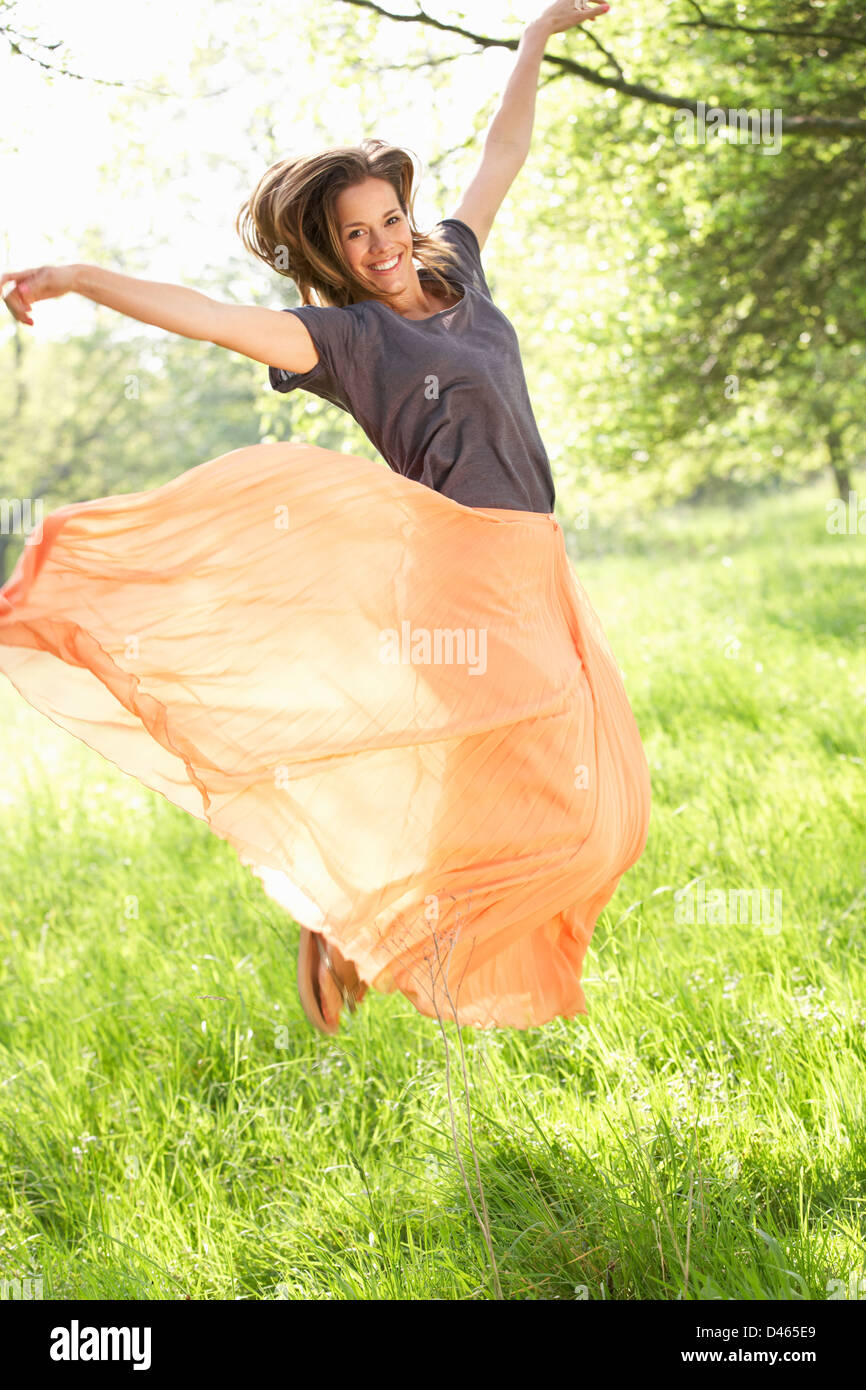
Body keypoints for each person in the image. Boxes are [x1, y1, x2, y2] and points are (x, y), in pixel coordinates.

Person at [0, 0, 648, 1036]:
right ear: (331, 250)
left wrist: (534, 33)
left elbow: (504, 148)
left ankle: (340, 913)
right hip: (463, 576)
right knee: (551, 808)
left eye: (390, 219)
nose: (382, 244)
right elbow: (203, 315)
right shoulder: (337, 342)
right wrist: (76, 275)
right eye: (356, 235)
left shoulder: (457, 272)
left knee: (582, 806)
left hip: (536, 564)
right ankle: (350, 914)